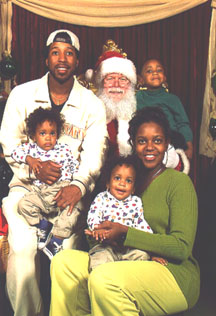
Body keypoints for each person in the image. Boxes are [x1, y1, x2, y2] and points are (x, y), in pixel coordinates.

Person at [49, 106, 200, 316]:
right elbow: (101, 226)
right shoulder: (126, 179)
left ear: (167, 144)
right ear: (133, 145)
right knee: (63, 263)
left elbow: (182, 247)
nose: (149, 147)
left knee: (104, 278)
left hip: (171, 272)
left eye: (157, 140)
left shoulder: (179, 182)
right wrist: (101, 235)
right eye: (142, 141)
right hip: (119, 257)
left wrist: (125, 234)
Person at [0, 29, 107, 316]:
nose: (62, 58)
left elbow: (95, 152)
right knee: (22, 250)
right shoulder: (22, 94)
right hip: (26, 189)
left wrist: (79, 186)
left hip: (68, 190)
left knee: (68, 250)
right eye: (56, 52)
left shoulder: (92, 104)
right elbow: (9, 141)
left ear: (77, 60)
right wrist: (34, 165)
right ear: (46, 58)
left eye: (69, 53)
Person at [85, 39, 189, 173]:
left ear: (131, 85)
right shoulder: (87, 113)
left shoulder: (141, 115)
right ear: (100, 84)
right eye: (110, 79)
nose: (116, 84)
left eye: (123, 79)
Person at [11, 107, 82, 260]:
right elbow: (15, 153)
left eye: (52, 133)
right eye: (42, 134)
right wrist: (30, 159)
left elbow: (73, 164)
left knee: (74, 211)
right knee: (23, 205)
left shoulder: (63, 148)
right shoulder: (30, 148)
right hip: (41, 192)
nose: (48, 138)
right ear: (34, 136)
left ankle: (56, 240)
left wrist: (69, 181)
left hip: (61, 190)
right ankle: (44, 226)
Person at [85, 155, 167, 271]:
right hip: (105, 246)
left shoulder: (136, 202)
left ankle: (129, 282)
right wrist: (97, 229)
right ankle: (102, 282)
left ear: (133, 188)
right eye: (117, 178)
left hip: (129, 248)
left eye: (128, 181)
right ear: (108, 183)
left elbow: (141, 224)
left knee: (142, 256)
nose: (122, 183)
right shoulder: (101, 198)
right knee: (100, 260)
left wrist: (151, 251)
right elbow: (93, 215)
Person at [136, 58, 193, 159]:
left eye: (159, 70)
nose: (155, 73)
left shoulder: (172, 99)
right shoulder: (138, 97)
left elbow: (183, 123)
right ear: (141, 79)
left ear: (164, 77)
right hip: (146, 143)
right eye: (149, 71)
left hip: (171, 142)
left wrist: (189, 146)